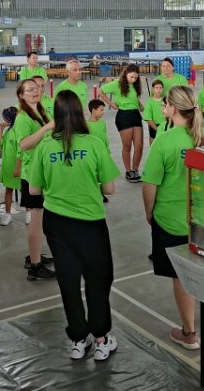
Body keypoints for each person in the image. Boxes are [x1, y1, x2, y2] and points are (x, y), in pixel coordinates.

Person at [28, 91, 121, 361]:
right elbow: (110, 189)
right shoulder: (93, 144)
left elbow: (34, 189)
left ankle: (79, 339)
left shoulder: (45, 146)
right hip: (90, 223)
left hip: (56, 223)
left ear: (55, 116)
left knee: (68, 280)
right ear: (81, 113)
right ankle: (101, 338)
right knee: (98, 278)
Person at [143, 86, 204, 350]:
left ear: (172, 109)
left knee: (182, 276)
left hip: (171, 220)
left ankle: (189, 333)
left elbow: (150, 185)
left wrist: (149, 213)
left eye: (165, 104)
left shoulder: (164, 140)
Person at [13, 79, 57, 281]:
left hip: (43, 171)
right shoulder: (23, 118)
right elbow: (23, 145)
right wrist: (45, 128)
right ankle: (35, 266)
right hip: (32, 175)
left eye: (37, 88)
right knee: (36, 221)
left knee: (40, 220)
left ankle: (34, 255)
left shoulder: (41, 111)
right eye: (29, 89)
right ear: (21, 95)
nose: (35, 91)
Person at [98, 64, 144, 183]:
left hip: (135, 115)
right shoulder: (117, 83)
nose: (133, 80)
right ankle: (128, 171)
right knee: (127, 146)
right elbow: (100, 91)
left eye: (136, 78)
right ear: (126, 74)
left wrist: (139, 104)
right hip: (124, 116)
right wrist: (111, 104)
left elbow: (133, 97)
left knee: (139, 146)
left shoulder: (135, 84)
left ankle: (135, 170)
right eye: (131, 77)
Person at [0, 106, 21, 226]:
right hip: (8, 167)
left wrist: (17, 168)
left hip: (17, 168)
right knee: (8, 190)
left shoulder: (18, 131)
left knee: (24, 190)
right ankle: (7, 214)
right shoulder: (8, 131)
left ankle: (29, 213)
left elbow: (21, 152)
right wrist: (1, 130)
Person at [144, 79, 166, 145]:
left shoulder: (166, 100)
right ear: (153, 89)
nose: (159, 90)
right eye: (156, 88)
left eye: (160, 88)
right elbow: (148, 119)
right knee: (153, 146)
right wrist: (157, 129)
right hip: (154, 127)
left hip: (166, 126)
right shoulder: (149, 102)